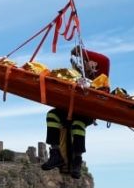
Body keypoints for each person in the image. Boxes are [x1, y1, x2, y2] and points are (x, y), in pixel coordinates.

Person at [40, 47, 109, 179]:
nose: (86, 65)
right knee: (52, 115)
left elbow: (105, 60)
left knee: (78, 124)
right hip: (70, 109)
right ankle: (55, 153)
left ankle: (77, 159)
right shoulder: (77, 75)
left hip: (86, 112)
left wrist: (80, 51)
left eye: (89, 62)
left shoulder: (101, 77)